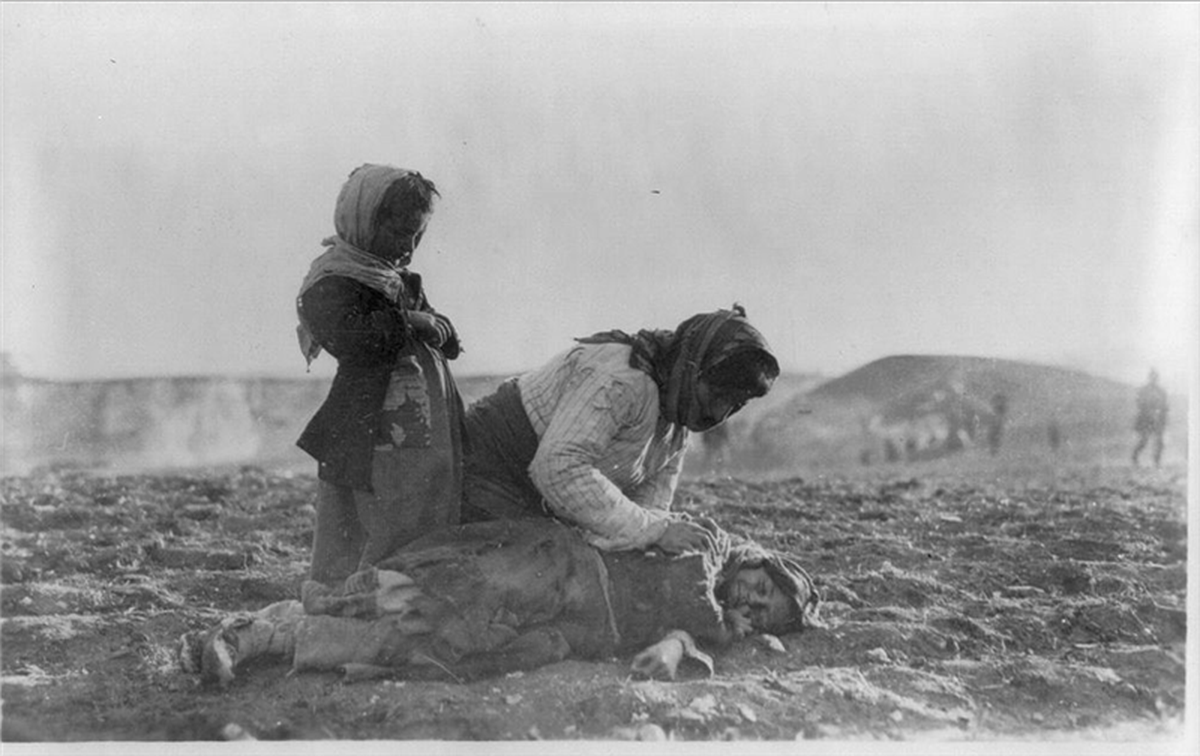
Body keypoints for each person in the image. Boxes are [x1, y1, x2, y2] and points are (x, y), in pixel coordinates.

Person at [179, 517, 820, 686]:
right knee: (433, 597)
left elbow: (683, 639)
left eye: (766, 612)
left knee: (432, 646)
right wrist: (713, 622)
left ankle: (262, 640)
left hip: (571, 628)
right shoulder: (708, 548)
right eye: (760, 588)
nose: (751, 602)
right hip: (560, 571)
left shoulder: (718, 624)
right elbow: (690, 585)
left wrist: (691, 643)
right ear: (754, 561)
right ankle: (253, 630)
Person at [459, 305, 780, 553]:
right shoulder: (623, 379)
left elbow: (648, 506)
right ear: (693, 367)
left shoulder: (676, 421)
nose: (720, 412)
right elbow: (558, 468)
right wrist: (656, 533)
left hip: (541, 494)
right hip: (489, 468)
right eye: (720, 395)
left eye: (737, 404)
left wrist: (659, 535)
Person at [295, 164, 466, 584]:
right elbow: (351, 340)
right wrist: (410, 323)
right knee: (366, 526)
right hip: (369, 429)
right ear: (363, 222)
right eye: (399, 233)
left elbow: (438, 333)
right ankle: (346, 607)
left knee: (419, 512)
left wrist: (441, 331)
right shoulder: (332, 281)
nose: (408, 247)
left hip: (419, 431)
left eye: (417, 236)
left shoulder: (399, 281)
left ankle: (399, 596)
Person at [1131, 369, 1168, 467]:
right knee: (1143, 441)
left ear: (1157, 378)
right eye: (1152, 377)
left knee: (1159, 441)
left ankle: (1157, 462)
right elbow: (1139, 404)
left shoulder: (1161, 391)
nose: (1154, 379)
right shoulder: (1143, 390)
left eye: (1155, 377)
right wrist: (1148, 411)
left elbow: (1165, 406)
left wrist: (1161, 416)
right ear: (1149, 378)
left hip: (1157, 420)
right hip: (1145, 419)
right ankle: (1134, 457)